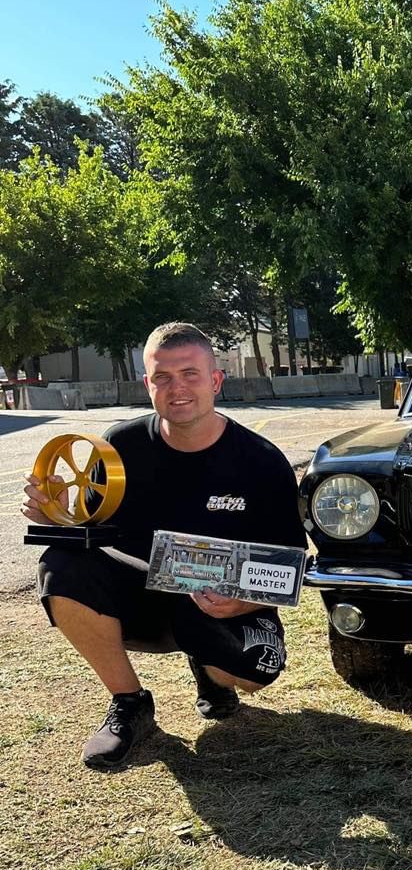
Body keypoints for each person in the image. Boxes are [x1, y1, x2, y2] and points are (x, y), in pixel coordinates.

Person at [22, 322, 307, 771]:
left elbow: (290, 568)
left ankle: (213, 677)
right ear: (146, 383)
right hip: (142, 599)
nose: (178, 388)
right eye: (163, 377)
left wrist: (242, 603)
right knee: (60, 568)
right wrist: (54, 515)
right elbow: (89, 533)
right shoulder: (118, 447)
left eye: (191, 374)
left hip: (218, 601)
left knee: (254, 672)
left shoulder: (262, 462)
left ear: (216, 379)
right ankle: (130, 703)